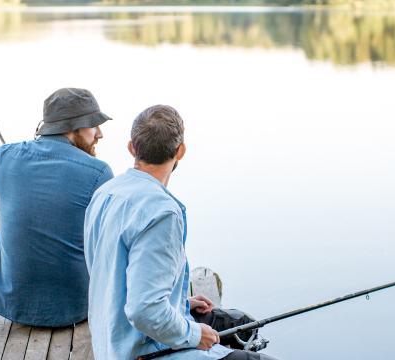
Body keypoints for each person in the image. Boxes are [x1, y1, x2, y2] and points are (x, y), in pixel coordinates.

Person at [84, 105, 276, 360]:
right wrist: (196, 335)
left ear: (131, 148)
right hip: (140, 350)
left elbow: (118, 276)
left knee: (241, 322)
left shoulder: (104, 193)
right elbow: (144, 311)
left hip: (110, 339)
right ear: (180, 151)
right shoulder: (161, 213)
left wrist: (180, 302)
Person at [0, 88, 113, 327]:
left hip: (11, 303)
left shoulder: (4, 156)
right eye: (93, 125)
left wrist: (9, 181)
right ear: (73, 128)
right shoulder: (100, 171)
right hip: (78, 307)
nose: (99, 133)